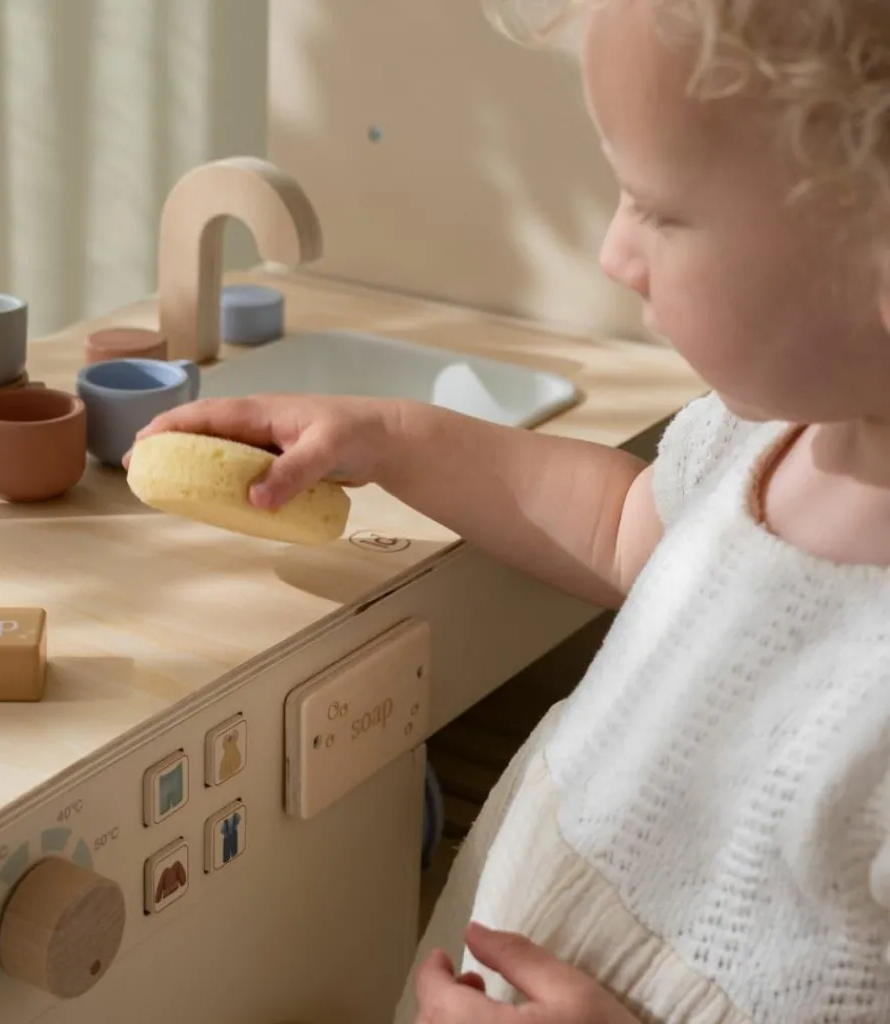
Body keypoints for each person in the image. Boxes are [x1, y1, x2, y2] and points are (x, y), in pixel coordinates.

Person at [128, 0, 890, 1019]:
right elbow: (626, 529)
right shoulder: (773, 437)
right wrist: (391, 439)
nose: (617, 253)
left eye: (658, 211)